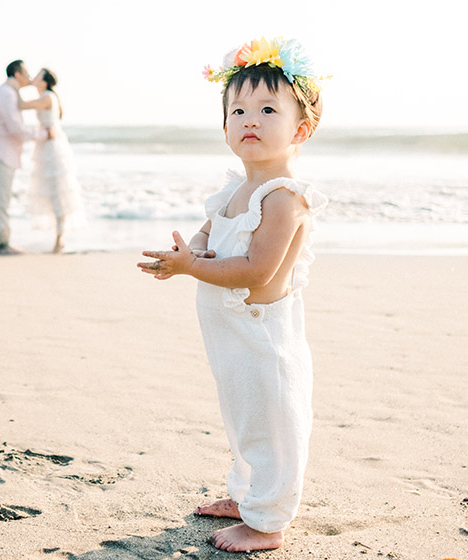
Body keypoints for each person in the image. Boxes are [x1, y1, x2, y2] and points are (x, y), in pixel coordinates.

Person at [137, 37, 327, 552]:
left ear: (300, 129)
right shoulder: (232, 189)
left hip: (262, 335)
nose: (251, 118)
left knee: (272, 421)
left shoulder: (283, 199)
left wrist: (192, 267)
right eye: (238, 109)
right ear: (225, 127)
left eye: (269, 109)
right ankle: (248, 495)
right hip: (230, 335)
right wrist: (187, 253)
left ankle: (268, 521)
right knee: (241, 414)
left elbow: (257, 272)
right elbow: (207, 232)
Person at [18, 68, 83, 253]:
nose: (33, 77)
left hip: (52, 148)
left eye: (37, 76)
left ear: (45, 81)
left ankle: (60, 238)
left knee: (57, 192)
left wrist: (20, 84)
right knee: (53, 191)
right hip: (47, 144)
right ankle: (59, 236)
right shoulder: (48, 96)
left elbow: (21, 105)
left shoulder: (46, 97)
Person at [0, 60, 33, 255]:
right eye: (26, 73)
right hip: (0, 154)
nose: (29, 77)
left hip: (3, 154)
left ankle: (2, 241)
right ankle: (2, 244)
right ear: (17, 75)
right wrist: (40, 134)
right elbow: (15, 127)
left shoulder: (8, 93)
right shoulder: (6, 93)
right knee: (0, 200)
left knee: (2, 199)